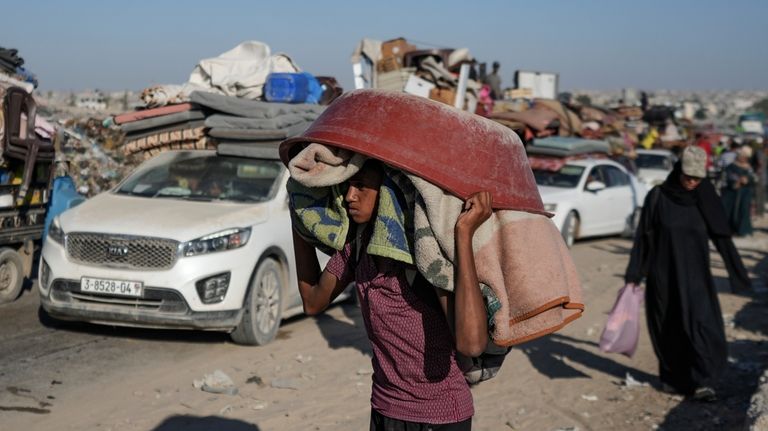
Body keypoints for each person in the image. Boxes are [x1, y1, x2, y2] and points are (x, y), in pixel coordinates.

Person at [291, 159, 491, 430]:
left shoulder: (422, 254)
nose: (350, 196)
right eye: (348, 186)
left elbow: (471, 344)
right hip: (385, 408)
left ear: (386, 190)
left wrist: (463, 234)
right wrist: (300, 217)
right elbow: (313, 302)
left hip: (440, 415)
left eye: (361, 186)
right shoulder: (357, 246)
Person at [625, 146, 751, 402]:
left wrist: (738, 275)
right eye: (688, 176)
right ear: (678, 171)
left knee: (702, 325)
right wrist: (634, 275)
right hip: (664, 275)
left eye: (697, 177)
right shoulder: (658, 196)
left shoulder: (705, 197)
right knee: (668, 326)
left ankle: (704, 381)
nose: (692, 182)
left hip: (696, 278)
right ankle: (674, 379)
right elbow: (644, 238)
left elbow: (722, 238)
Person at [721, 145, 758, 237]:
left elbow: (754, 178)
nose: (743, 158)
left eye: (746, 157)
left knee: (744, 210)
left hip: (746, 192)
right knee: (731, 210)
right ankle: (730, 229)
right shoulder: (731, 166)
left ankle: (743, 230)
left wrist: (748, 179)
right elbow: (727, 176)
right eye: (742, 156)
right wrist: (736, 181)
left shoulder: (749, 167)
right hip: (732, 192)